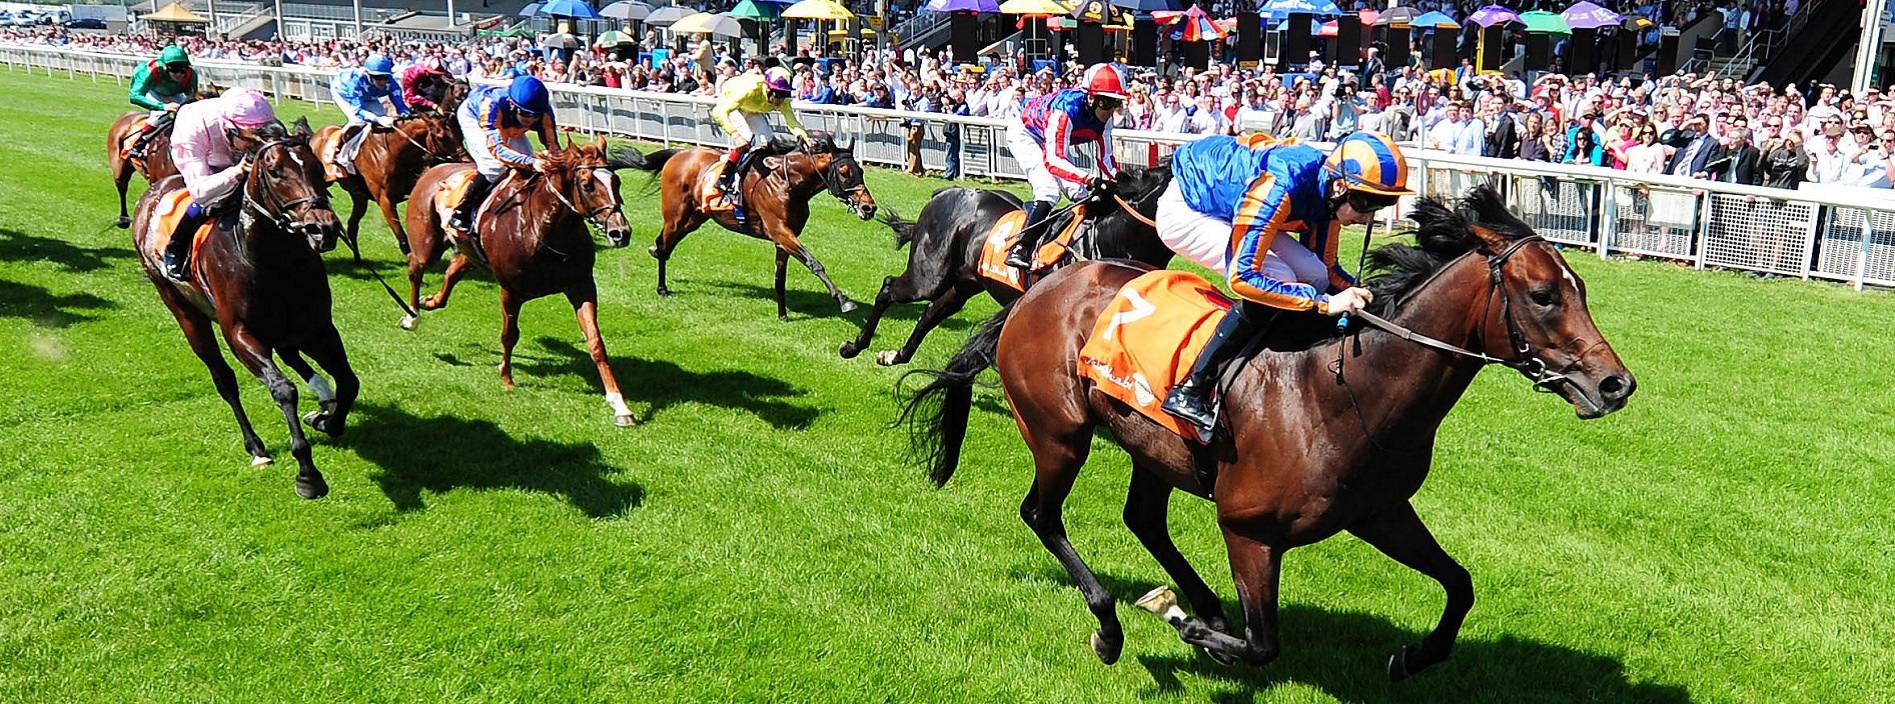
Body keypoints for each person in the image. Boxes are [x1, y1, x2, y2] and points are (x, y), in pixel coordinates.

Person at [1157, 132, 1410, 433]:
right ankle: (1191, 388)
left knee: (1313, 273)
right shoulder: (1280, 186)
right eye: (1366, 204)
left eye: (1379, 206)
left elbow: (1326, 271)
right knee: (1281, 277)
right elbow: (1243, 277)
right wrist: (1325, 303)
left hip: (1230, 203)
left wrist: (1366, 295)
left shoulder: (1328, 193)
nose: (1369, 218)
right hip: (1188, 208)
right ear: (1341, 186)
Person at [1002, 62, 1126, 270]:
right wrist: (1091, 179)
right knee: (1049, 189)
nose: (1109, 111)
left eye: (1116, 104)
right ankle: (1021, 246)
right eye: (1105, 103)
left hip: (1053, 140)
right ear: (1090, 97)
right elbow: (1053, 160)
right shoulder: (1066, 110)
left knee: (1080, 193)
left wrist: (1119, 180)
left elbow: (1105, 159)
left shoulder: (1106, 120)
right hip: (1026, 131)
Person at [160, 87, 278, 282]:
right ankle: (175, 247)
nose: (258, 143)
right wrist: (237, 171)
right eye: (251, 139)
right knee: (215, 200)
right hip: (203, 150)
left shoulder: (260, 122)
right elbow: (200, 191)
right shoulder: (193, 128)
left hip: (228, 140)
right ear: (230, 129)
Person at [449, 75, 559, 238]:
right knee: (494, 166)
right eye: (526, 114)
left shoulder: (543, 111)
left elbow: (553, 146)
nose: (531, 120)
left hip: (509, 123)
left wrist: (553, 157)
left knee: (530, 167)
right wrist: (531, 161)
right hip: (475, 117)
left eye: (536, 116)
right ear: (513, 105)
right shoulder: (492, 105)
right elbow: (498, 150)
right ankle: (462, 211)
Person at [708, 65, 810, 204]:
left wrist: (804, 137)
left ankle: (760, 179)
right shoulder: (749, 90)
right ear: (768, 88)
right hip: (731, 103)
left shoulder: (783, 99)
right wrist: (735, 135)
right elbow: (719, 112)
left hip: (751, 109)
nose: (781, 99)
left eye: (784, 94)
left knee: (768, 141)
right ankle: (725, 179)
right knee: (747, 140)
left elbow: (791, 121)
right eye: (778, 94)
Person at [328, 54, 410, 177]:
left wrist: (406, 114)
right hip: (343, 93)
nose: (383, 81)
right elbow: (359, 111)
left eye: (385, 77)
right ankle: (338, 152)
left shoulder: (391, 82)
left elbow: (400, 105)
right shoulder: (356, 82)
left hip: (369, 97)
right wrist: (378, 118)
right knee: (358, 121)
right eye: (378, 78)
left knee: (382, 121)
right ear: (368, 74)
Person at [126, 45, 199, 160]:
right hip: (153, 91)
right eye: (174, 70)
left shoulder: (191, 75)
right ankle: (139, 144)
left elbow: (192, 97)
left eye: (182, 70)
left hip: (175, 94)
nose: (179, 74)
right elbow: (134, 96)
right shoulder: (150, 70)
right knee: (159, 116)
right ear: (165, 67)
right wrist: (163, 106)